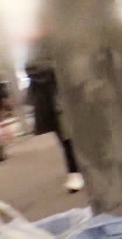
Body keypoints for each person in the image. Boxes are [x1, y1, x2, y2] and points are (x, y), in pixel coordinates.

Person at [25, 55, 84, 193]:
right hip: (58, 103)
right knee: (68, 140)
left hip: (74, 98)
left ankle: (80, 171)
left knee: (79, 137)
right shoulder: (40, 52)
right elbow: (33, 68)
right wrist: (61, 65)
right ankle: (75, 172)